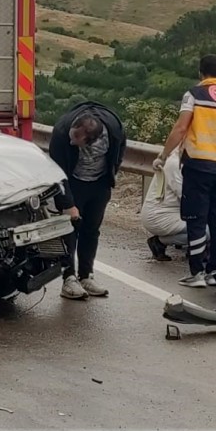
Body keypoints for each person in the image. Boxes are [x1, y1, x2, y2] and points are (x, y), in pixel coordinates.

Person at [154, 54, 216, 288]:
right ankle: (215, 271)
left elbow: (180, 128)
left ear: (200, 73)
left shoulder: (194, 95)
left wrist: (163, 156)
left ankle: (197, 272)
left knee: (196, 218)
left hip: (198, 165)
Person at [48, 101, 127, 301]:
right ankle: (69, 279)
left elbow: (118, 153)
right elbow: (56, 172)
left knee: (91, 230)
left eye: (78, 139)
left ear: (92, 140)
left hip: (99, 183)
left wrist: (109, 179)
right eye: (72, 136)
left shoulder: (113, 130)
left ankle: (86, 276)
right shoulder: (62, 132)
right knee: (70, 229)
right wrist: (67, 204)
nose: (72, 141)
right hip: (73, 182)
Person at [140, 148, 187, 261]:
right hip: (160, 216)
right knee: (204, 232)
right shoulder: (175, 164)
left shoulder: (183, 160)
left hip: (173, 212)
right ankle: (158, 242)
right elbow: (186, 196)